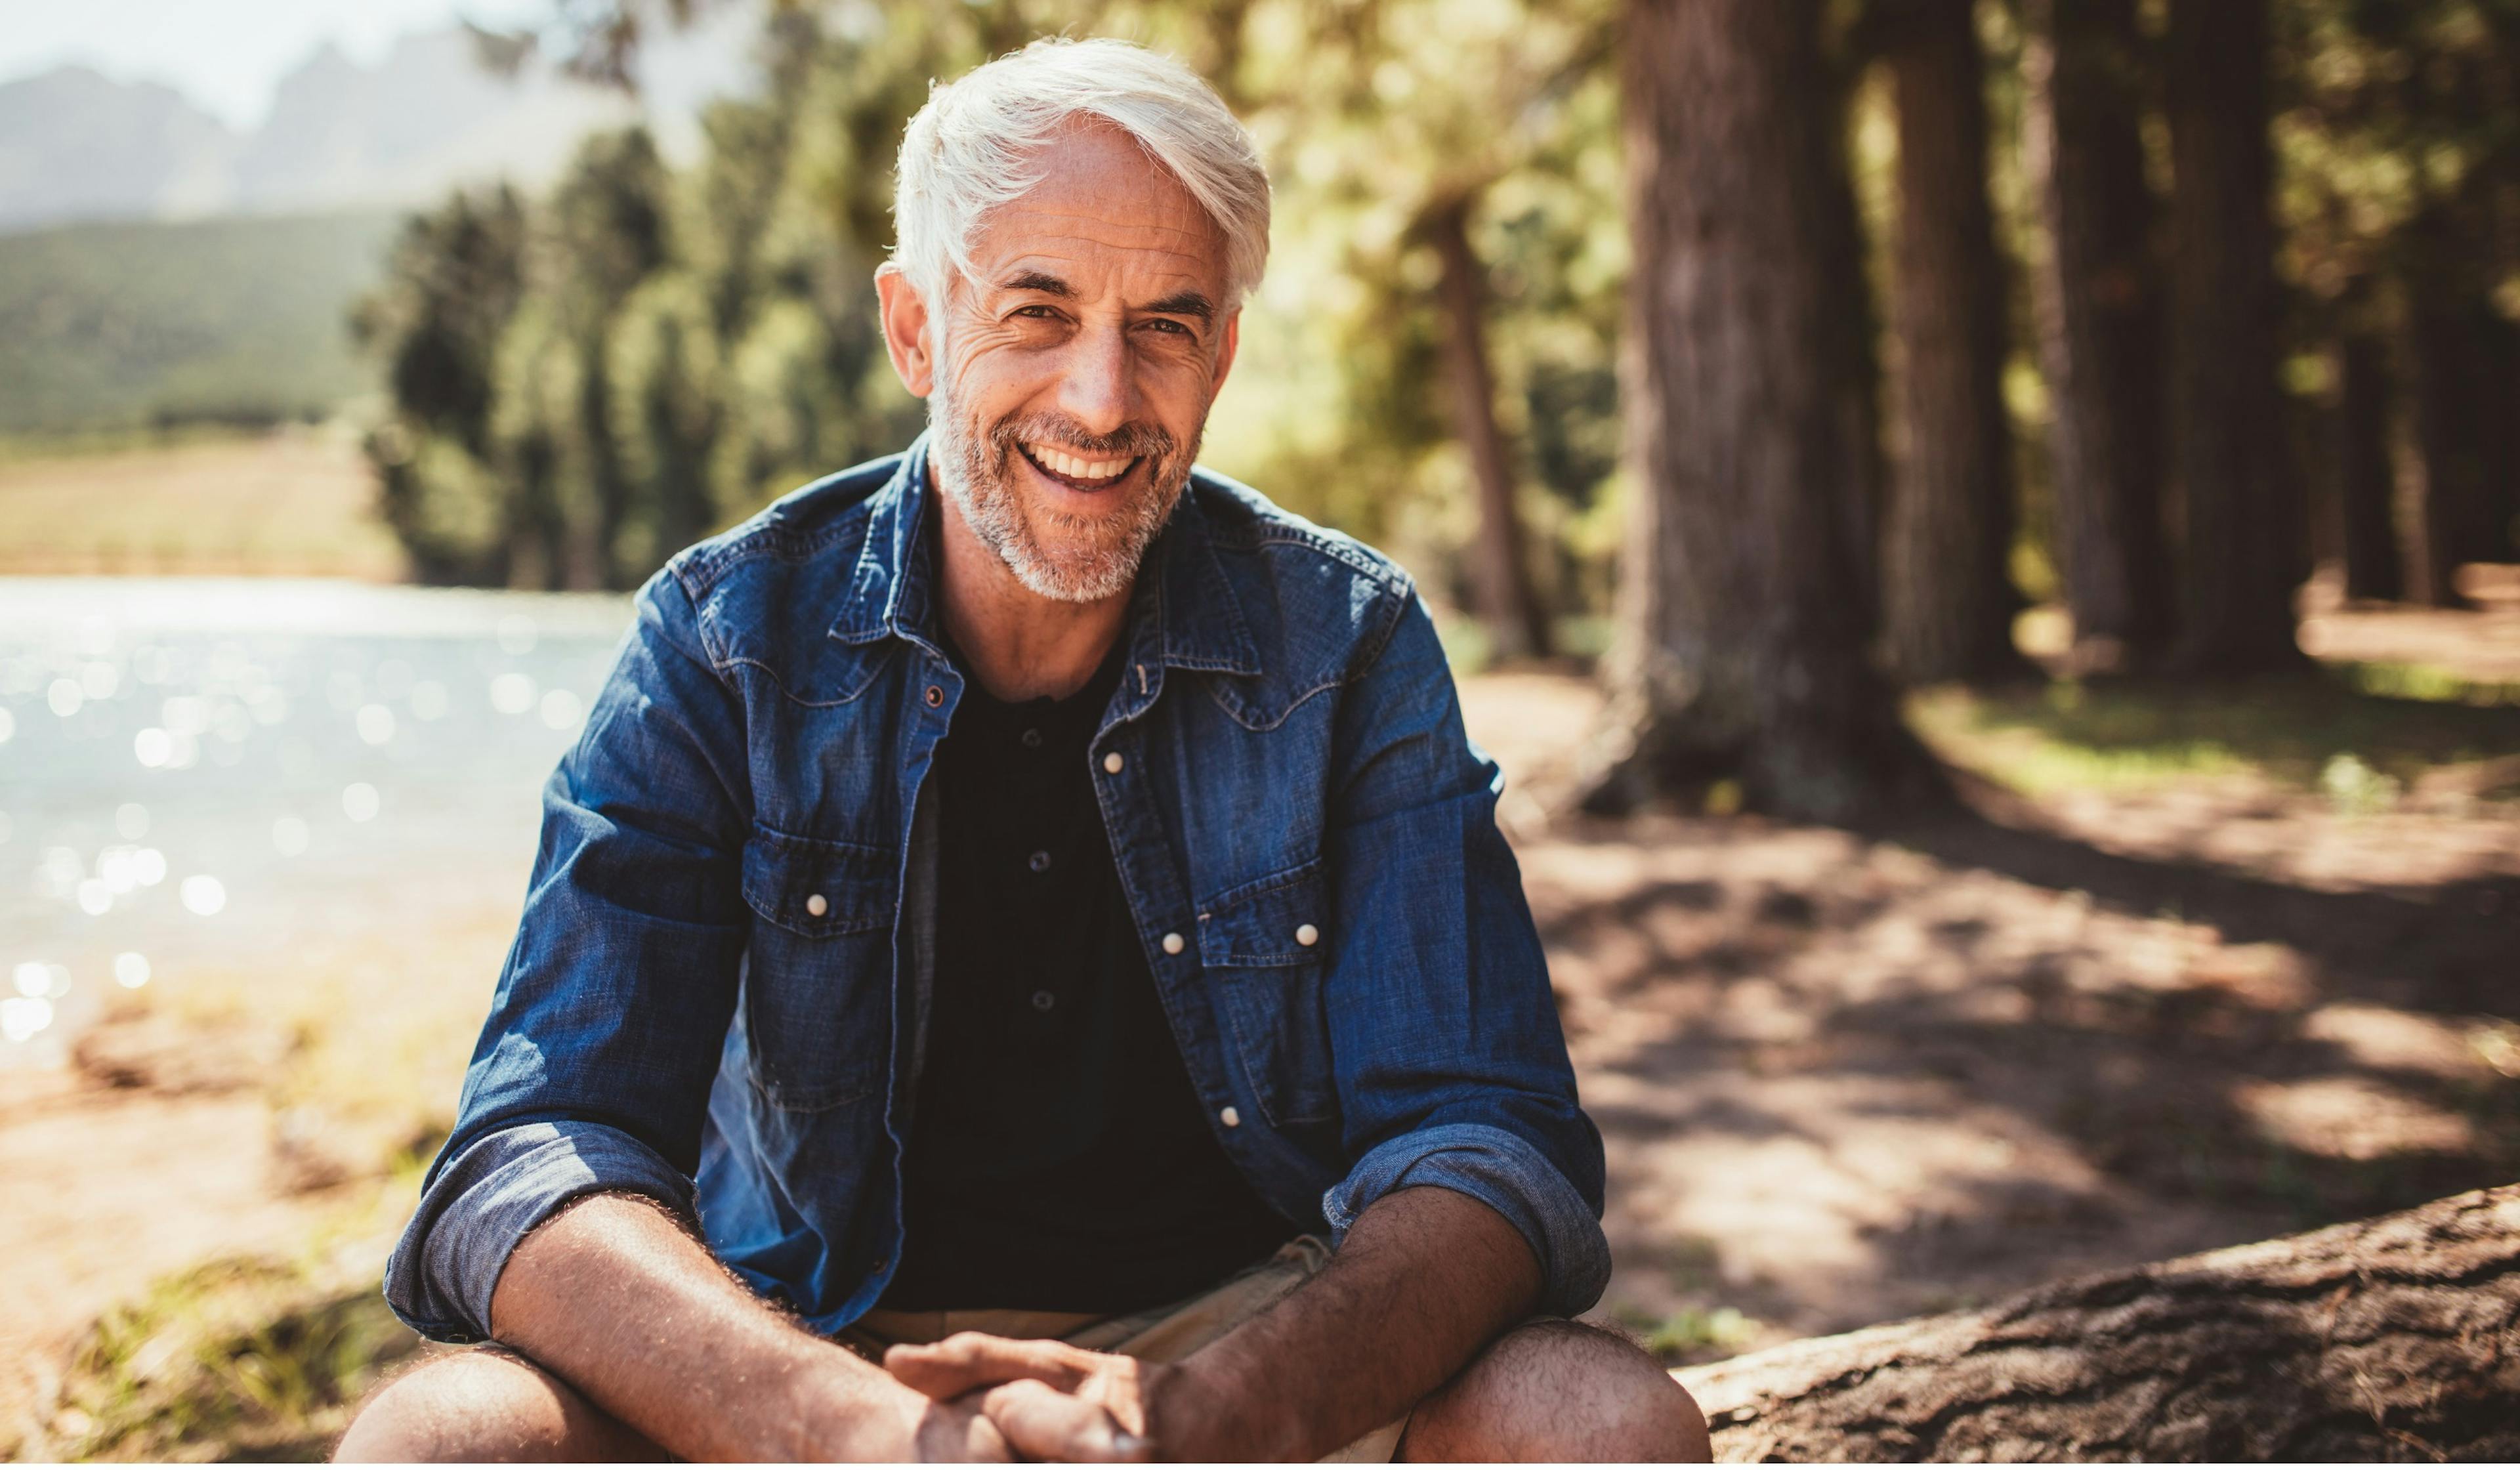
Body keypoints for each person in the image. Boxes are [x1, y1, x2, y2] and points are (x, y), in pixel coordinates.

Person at [334, 35, 1708, 1463]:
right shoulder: (725, 641)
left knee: (1594, 1422)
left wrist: (1200, 1417)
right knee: (446, 1440)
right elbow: (535, 1151)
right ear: (916, 325)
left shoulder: (1346, 643)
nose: (1103, 400)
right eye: (1037, 312)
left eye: (1166, 324)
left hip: (1249, 1353)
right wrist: (855, 1429)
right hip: (811, 1351)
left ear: (1223, 353)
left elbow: (1489, 1143)